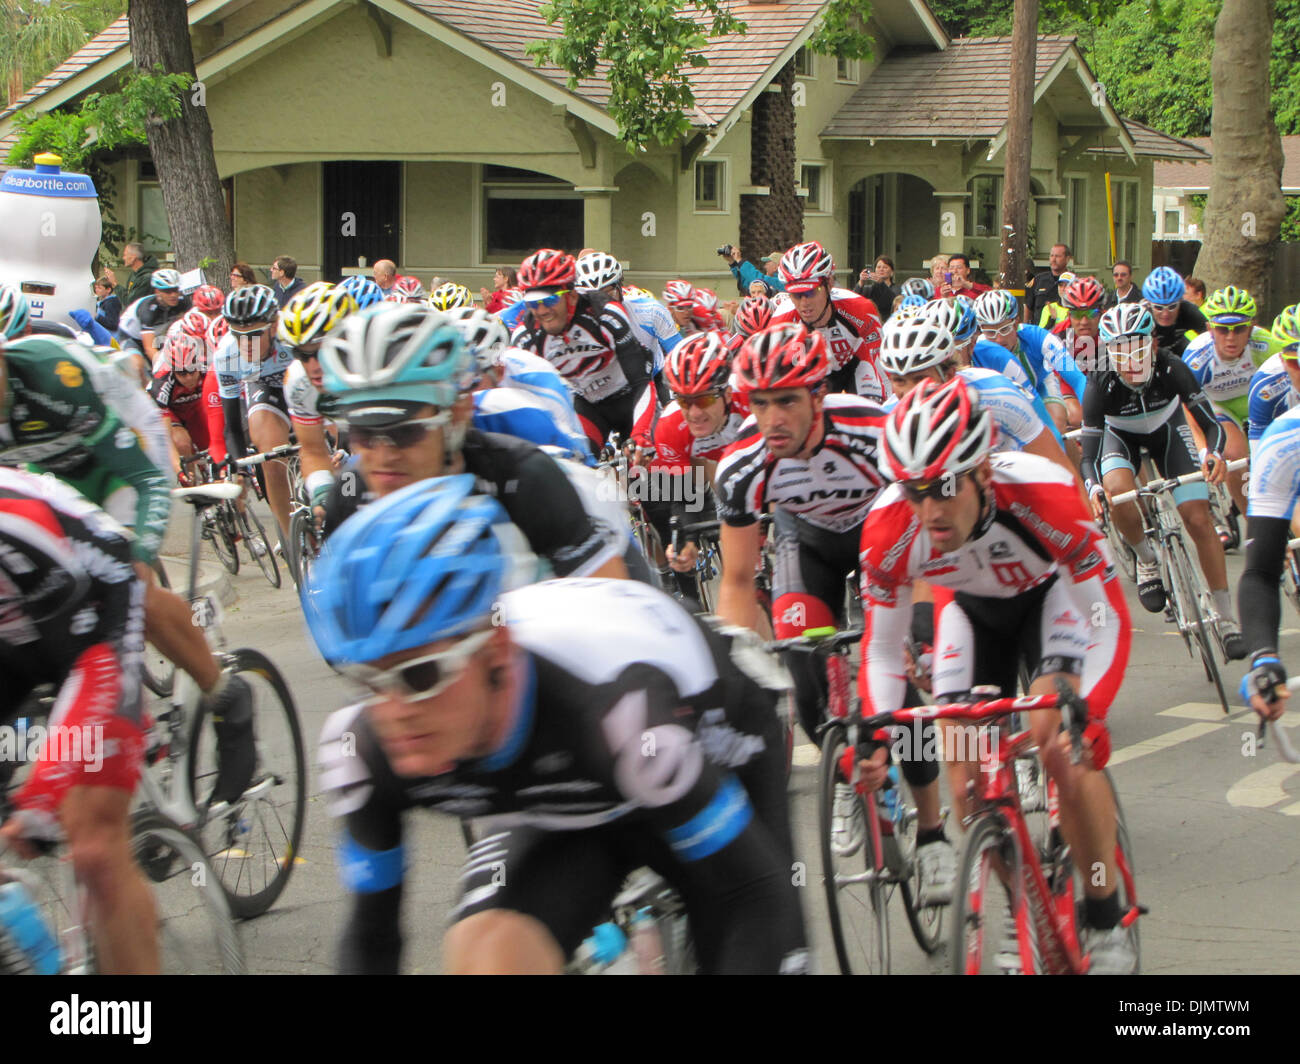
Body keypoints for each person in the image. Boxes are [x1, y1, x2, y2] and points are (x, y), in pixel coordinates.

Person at [307, 476, 808, 974]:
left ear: (495, 650)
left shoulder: (613, 713)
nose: (394, 710)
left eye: (420, 676)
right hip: (570, 808)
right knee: (487, 959)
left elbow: (754, 896)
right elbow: (371, 938)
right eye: (368, 681)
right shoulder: (365, 749)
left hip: (708, 745)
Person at [859, 376, 1135, 973]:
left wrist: (1095, 710)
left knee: (1054, 737)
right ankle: (1020, 912)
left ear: (982, 473)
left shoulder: (1046, 495)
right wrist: (875, 733)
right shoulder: (888, 530)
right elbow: (882, 652)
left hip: (1052, 603)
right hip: (971, 616)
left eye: (943, 488)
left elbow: (1106, 617)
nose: (928, 509)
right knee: (965, 790)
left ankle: (1103, 908)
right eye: (913, 490)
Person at [316, 301, 636, 581]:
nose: (383, 454)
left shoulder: (526, 477)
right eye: (363, 433)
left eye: (405, 431)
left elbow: (616, 623)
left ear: (457, 413)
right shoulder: (348, 495)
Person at [0, 469, 160, 974]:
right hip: (15, 641)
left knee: (91, 844)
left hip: (95, 628)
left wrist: (44, 795)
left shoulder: (14, 525)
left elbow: (86, 669)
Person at [1081, 303, 1243, 657]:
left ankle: (1226, 616)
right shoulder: (1099, 380)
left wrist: (1213, 455)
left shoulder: (1172, 367)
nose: (1129, 358)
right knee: (1118, 492)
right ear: (1107, 352)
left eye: (1137, 347)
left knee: (1199, 517)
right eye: (1119, 350)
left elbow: (1212, 426)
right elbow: (1088, 455)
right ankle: (1146, 558)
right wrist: (1093, 489)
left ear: (1152, 345)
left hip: (1169, 431)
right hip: (1120, 437)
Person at [509, 249, 658, 455]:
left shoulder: (605, 314)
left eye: (550, 300)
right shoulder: (527, 337)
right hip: (588, 406)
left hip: (630, 398)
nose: (542, 311)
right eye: (533, 303)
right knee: (579, 463)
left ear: (571, 295)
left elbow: (641, 380)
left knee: (658, 475)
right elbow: (525, 400)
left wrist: (641, 433)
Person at [1182, 285, 1286, 516]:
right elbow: (1187, 410)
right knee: (1236, 457)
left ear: (1250, 328)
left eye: (1239, 329)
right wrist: (1205, 452)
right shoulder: (1197, 357)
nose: (1231, 337)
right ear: (1209, 328)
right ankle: (1254, 520)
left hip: (1262, 402)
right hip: (1222, 407)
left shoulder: (1266, 344)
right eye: (1222, 329)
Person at [213, 283, 295, 540]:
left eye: (254, 334)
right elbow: (233, 426)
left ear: (274, 325)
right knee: (270, 455)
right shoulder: (227, 354)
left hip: (302, 381)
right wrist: (240, 472)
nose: (245, 344)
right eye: (238, 335)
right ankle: (294, 539)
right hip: (265, 388)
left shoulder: (292, 335)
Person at [275, 282, 358, 521]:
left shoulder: (378, 369)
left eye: (321, 352)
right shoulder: (298, 381)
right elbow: (312, 449)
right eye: (302, 354)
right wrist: (322, 491)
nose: (313, 367)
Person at [769, 241, 885, 401]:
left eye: (811, 292)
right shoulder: (781, 322)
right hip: (812, 375)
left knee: (872, 408)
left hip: (854, 366)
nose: (804, 303)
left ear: (829, 284)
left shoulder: (860, 310)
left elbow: (881, 367)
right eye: (796, 295)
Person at [974, 289, 1086, 437]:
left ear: (1016, 322)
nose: (999, 339)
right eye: (990, 332)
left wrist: (1091, 417)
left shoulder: (1038, 336)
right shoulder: (977, 348)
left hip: (1040, 386)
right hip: (1003, 398)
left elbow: (1077, 378)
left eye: (1005, 329)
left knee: (1055, 430)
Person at [1142, 267, 1205, 357]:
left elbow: (1212, 337)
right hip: (1148, 356)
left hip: (1179, 353)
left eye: (1172, 307)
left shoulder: (1188, 310)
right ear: (1149, 304)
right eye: (1159, 307)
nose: (1165, 314)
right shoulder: (1142, 315)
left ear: (1180, 301)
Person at [1025, 243, 1072, 325]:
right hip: (1039, 333)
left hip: (1064, 332)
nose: (1053, 259)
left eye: (1057, 256)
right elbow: (1028, 308)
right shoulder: (1038, 280)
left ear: (1067, 259)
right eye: (1051, 256)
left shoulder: (1073, 281)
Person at [722, 245, 787, 296]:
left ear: (777, 266)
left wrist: (739, 260)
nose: (765, 266)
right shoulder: (774, 281)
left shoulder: (782, 282)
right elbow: (745, 282)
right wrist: (732, 262)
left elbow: (757, 279)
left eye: (767, 263)